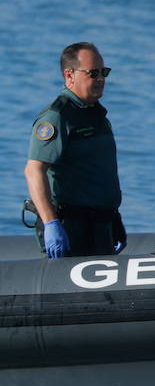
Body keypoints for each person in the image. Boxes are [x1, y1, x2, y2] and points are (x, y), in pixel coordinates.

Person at [25, 42, 125, 258]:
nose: (101, 79)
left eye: (104, 72)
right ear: (69, 75)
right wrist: (51, 224)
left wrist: (114, 218)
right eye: (93, 73)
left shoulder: (96, 113)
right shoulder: (58, 117)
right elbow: (34, 171)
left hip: (101, 224)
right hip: (71, 227)